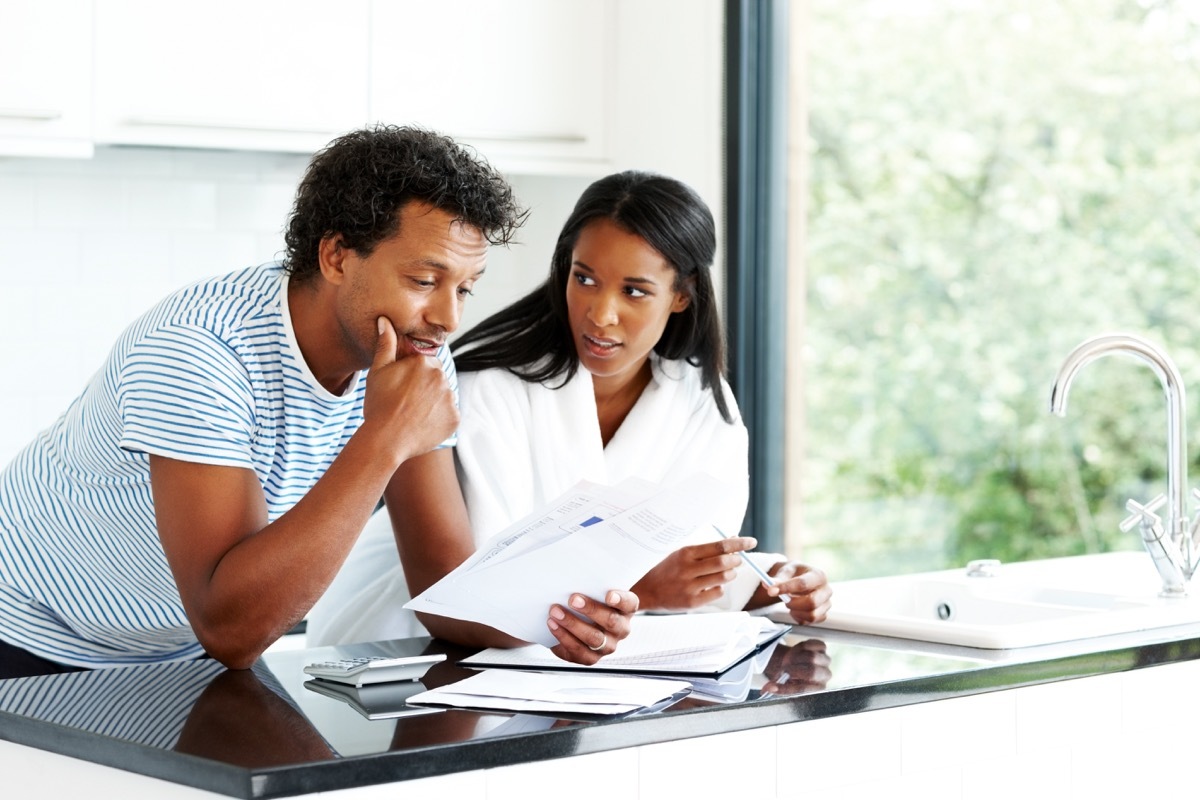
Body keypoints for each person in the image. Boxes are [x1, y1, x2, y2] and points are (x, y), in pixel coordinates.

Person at [0, 125, 637, 677]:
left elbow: (447, 591)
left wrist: (557, 622)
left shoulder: (415, 350)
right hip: (30, 636)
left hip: (177, 648)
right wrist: (383, 440)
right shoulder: (198, 352)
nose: (447, 317)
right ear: (335, 255)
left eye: (465, 288)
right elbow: (234, 630)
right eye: (423, 280)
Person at [308, 170, 832, 647]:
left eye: (634, 291)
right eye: (584, 279)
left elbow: (691, 560)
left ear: (681, 296)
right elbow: (486, 590)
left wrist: (769, 581)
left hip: (572, 665)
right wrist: (644, 589)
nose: (601, 314)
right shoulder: (488, 387)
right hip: (407, 646)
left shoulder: (700, 400)